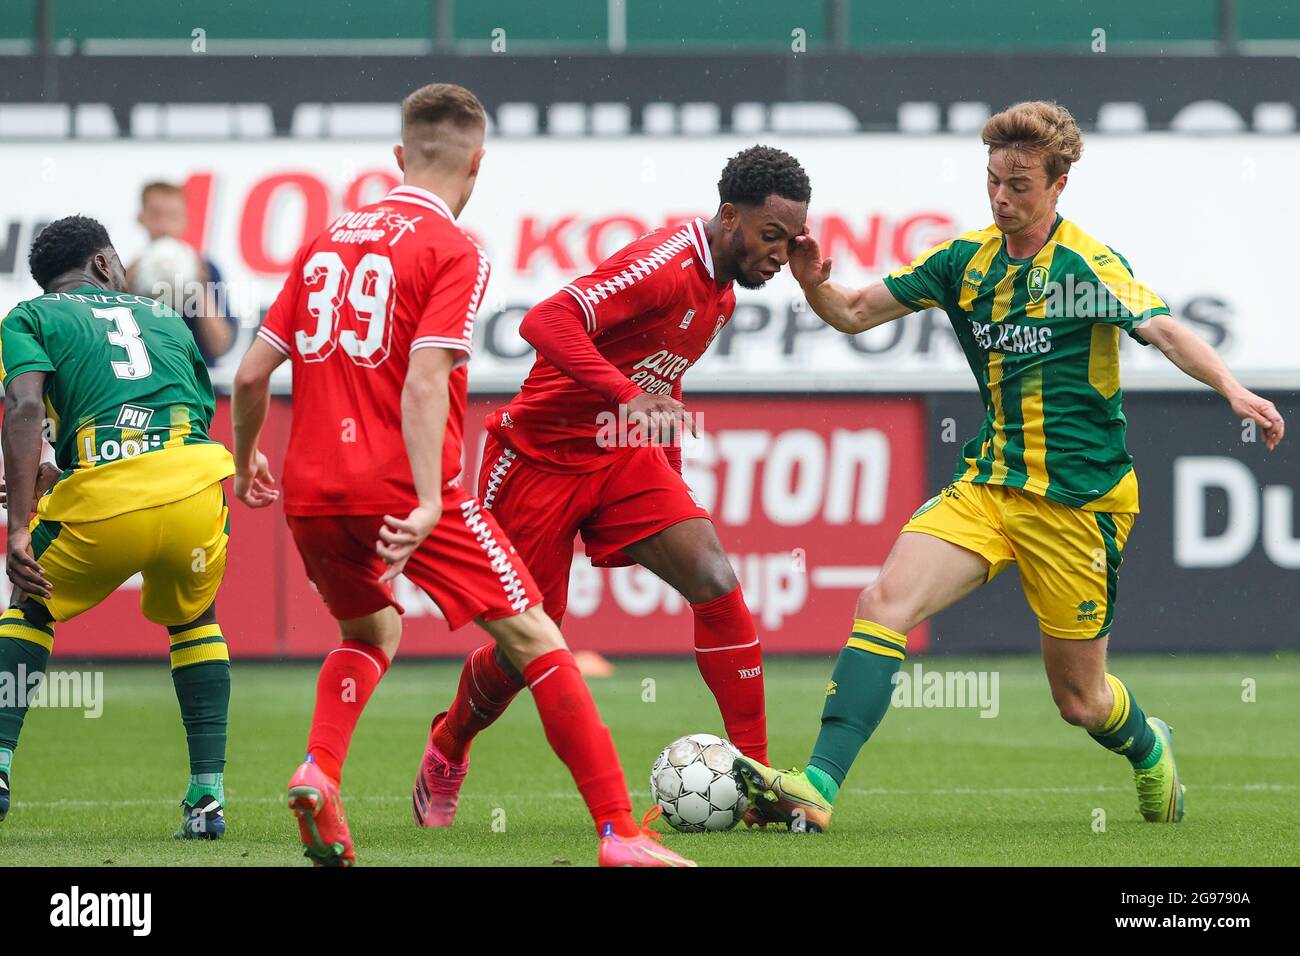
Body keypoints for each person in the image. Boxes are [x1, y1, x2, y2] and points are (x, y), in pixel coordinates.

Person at [735, 101, 1286, 832]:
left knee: (1081, 703)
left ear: (1059, 187)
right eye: (993, 179)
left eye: (1020, 184)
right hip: (992, 484)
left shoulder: (1086, 265)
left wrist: (1232, 387)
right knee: (882, 605)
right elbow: (856, 311)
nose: (1001, 197)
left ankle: (1151, 747)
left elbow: (1162, 328)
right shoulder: (963, 261)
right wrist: (812, 285)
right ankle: (819, 787)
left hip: (1077, 502)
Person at [230, 83, 692, 867]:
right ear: (479, 163)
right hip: (409, 492)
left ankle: (320, 770)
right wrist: (422, 496)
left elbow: (247, 377)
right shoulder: (455, 249)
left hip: (309, 493)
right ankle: (620, 833)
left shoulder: (322, 242)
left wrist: (245, 462)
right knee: (539, 638)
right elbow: (423, 379)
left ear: (399, 157)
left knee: (371, 630)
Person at [414, 145, 810, 828]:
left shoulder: (719, 289)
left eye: (791, 239)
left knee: (715, 578)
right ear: (727, 217)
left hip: (621, 454)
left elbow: (662, 373)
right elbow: (544, 322)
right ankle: (449, 744)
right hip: (539, 456)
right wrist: (624, 394)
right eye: (770, 235)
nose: (779, 253)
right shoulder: (665, 263)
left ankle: (756, 780)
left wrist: (670, 469)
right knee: (530, 640)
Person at [0, 215, 236, 839]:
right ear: (105, 263)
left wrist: (19, 527)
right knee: (196, 618)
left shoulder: (29, 318)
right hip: (193, 486)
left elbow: (24, 408)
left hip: (105, 504)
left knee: (30, 604)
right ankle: (207, 800)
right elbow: (188, 415)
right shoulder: (164, 319)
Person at [133, 181, 238, 365]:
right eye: (156, 215)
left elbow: (220, 344)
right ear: (142, 218)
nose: (164, 224)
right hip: (150, 381)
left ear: (185, 219)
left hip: (196, 382)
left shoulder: (207, 269)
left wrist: (199, 286)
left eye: (173, 216)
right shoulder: (127, 273)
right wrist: (128, 287)